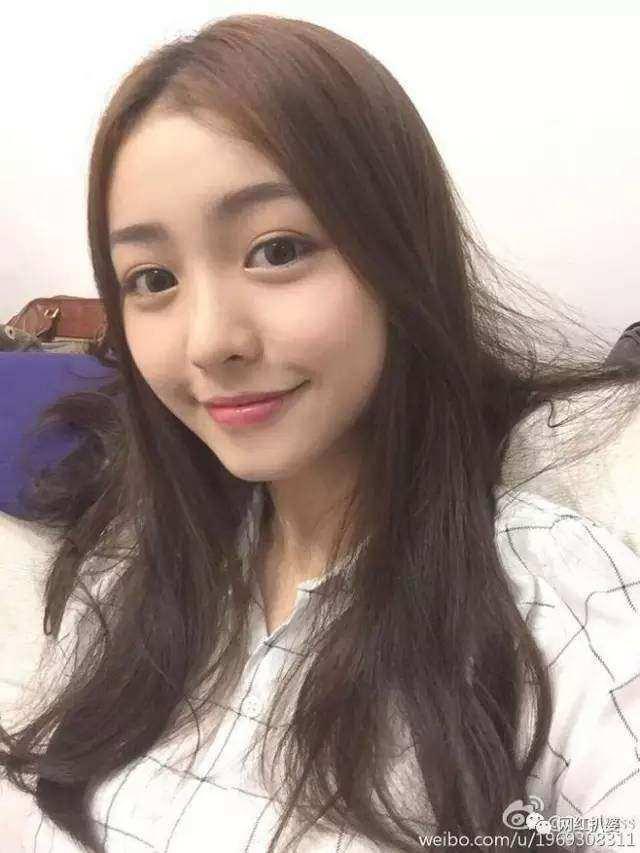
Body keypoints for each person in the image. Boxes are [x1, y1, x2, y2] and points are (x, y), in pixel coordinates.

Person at [1, 13, 640, 853]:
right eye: (152, 278)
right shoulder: (125, 574)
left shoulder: (550, 596)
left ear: (400, 251)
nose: (209, 342)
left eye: (276, 250)